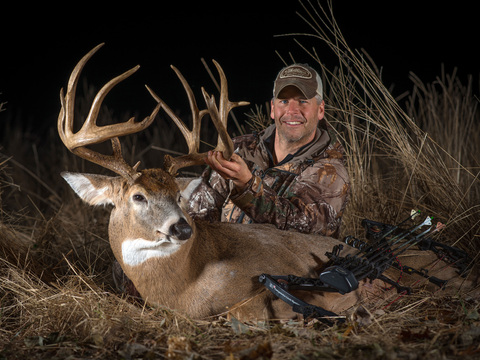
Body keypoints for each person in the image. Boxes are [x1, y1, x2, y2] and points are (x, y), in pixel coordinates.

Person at [187, 63, 350, 237]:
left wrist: (247, 186)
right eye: (284, 101)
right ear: (273, 109)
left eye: (303, 101)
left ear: (320, 110)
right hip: (224, 258)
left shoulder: (331, 171)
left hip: (287, 263)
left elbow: (307, 229)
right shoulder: (239, 149)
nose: (292, 111)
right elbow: (199, 214)